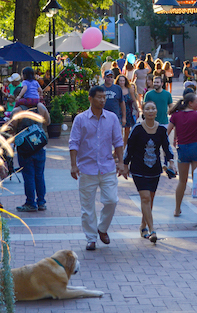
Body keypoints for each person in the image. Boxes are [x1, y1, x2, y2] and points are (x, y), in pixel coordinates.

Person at [69, 85, 125, 250]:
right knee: (87, 207)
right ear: (90, 99)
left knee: (112, 200)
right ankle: (91, 238)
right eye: (99, 97)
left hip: (107, 166)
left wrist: (121, 162)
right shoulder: (80, 119)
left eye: (104, 97)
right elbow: (74, 143)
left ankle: (102, 228)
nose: (102, 100)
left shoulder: (112, 118)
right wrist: (73, 165)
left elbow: (118, 141)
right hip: (87, 168)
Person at [123, 101, 176, 243]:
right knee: (145, 198)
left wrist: (171, 162)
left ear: (156, 112)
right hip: (138, 169)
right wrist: (124, 164)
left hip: (155, 170)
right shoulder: (137, 129)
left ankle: (143, 226)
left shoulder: (161, 130)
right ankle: (152, 230)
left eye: (153, 108)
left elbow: (167, 147)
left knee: (149, 200)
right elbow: (129, 147)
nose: (151, 111)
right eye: (148, 109)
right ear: (143, 112)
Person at [167, 93, 197, 221]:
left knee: (182, 181)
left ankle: (177, 208)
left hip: (182, 149)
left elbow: (166, 132)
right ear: (190, 103)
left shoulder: (175, 116)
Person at [13, 104, 50, 212]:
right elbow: (48, 122)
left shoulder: (17, 111)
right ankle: (41, 202)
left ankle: (30, 203)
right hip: (39, 146)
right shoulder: (41, 107)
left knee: (28, 176)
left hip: (25, 149)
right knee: (39, 175)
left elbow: (11, 128)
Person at [115, 74, 139, 141]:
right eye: (120, 81)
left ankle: (125, 147)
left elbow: (134, 100)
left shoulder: (129, 90)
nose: (122, 82)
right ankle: (119, 145)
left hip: (128, 111)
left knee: (127, 131)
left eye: (123, 81)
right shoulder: (116, 90)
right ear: (118, 81)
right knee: (119, 130)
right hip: (118, 111)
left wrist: (137, 110)